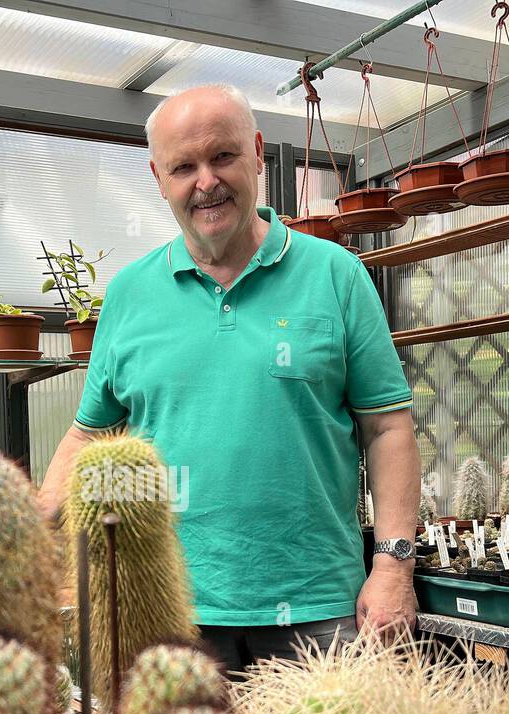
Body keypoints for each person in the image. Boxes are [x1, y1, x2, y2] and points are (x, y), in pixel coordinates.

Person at [39, 84, 420, 670]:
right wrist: (29, 534)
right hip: (168, 612)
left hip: (317, 608)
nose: (206, 182)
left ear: (258, 153)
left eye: (223, 156)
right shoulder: (130, 294)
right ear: (158, 177)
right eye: (183, 167)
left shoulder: (336, 275)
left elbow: (387, 427)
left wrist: (394, 566)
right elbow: (89, 434)